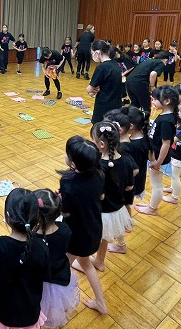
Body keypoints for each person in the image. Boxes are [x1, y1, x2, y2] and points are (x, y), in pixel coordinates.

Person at [0, 188, 51, 328]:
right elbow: (45, 276)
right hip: (30, 313)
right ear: (36, 218)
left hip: (3, 313)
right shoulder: (42, 247)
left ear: (7, 216)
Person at [59, 135, 108, 314]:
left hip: (76, 234)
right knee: (85, 262)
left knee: (62, 267)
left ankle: (61, 304)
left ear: (73, 163)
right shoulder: (99, 173)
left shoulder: (68, 182)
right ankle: (101, 303)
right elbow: (101, 196)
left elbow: (66, 212)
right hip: (94, 229)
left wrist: (59, 201)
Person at [90, 122, 135, 269]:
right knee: (117, 226)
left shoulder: (99, 166)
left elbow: (100, 195)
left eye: (93, 141)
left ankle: (99, 261)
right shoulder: (126, 160)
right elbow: (129, 186)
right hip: (119, 207)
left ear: (101, 144)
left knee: (104, 237)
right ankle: (122, 246)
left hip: (105, 211)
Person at [34, 189, 79, 328]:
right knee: (57, 306)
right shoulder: (65, 230)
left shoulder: (32, 238)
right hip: (59, 277)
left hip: (39, 281)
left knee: (39, 305)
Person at [135, 85, 178, 216]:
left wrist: (158, 162)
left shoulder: (166, 121)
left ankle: (152, 208)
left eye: (154, 99)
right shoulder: (165, 116)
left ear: (167, 101)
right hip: (155, 156)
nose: (152, 101)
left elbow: (166, 143)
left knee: (156, 185)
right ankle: (151, 206)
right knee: (156, 183)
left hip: (158, 158)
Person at [87, 40, 123, 123]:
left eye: (92, 53)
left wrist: (94, 88)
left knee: (99, 128)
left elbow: (89, 89)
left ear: (97, 52)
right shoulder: (115, 64)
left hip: (104, 105)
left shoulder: (102, 67)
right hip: (116, 104)